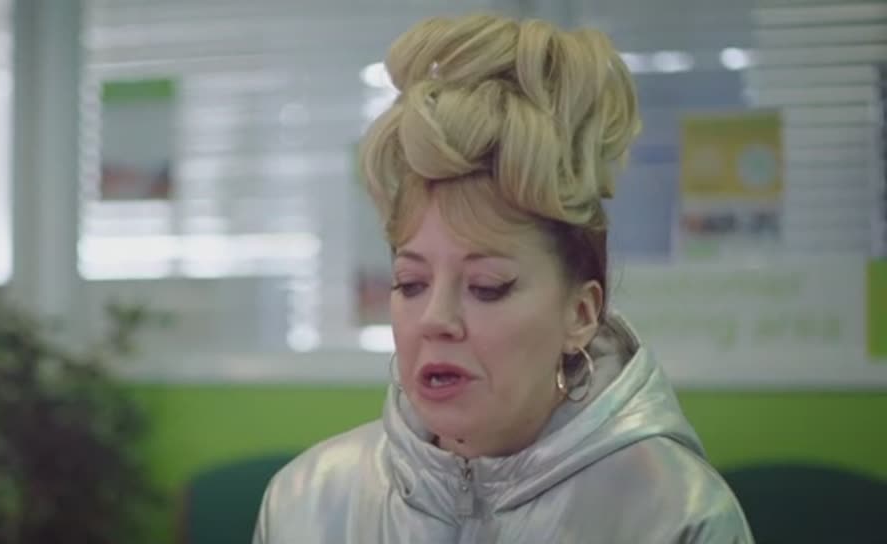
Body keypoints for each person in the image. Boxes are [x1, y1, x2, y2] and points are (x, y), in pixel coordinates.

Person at [252, 12, 753, 544]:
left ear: (580, 315)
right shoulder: (306, 505)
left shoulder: (674, 516)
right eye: (411, 284)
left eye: (486, 287)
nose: (435, 320)